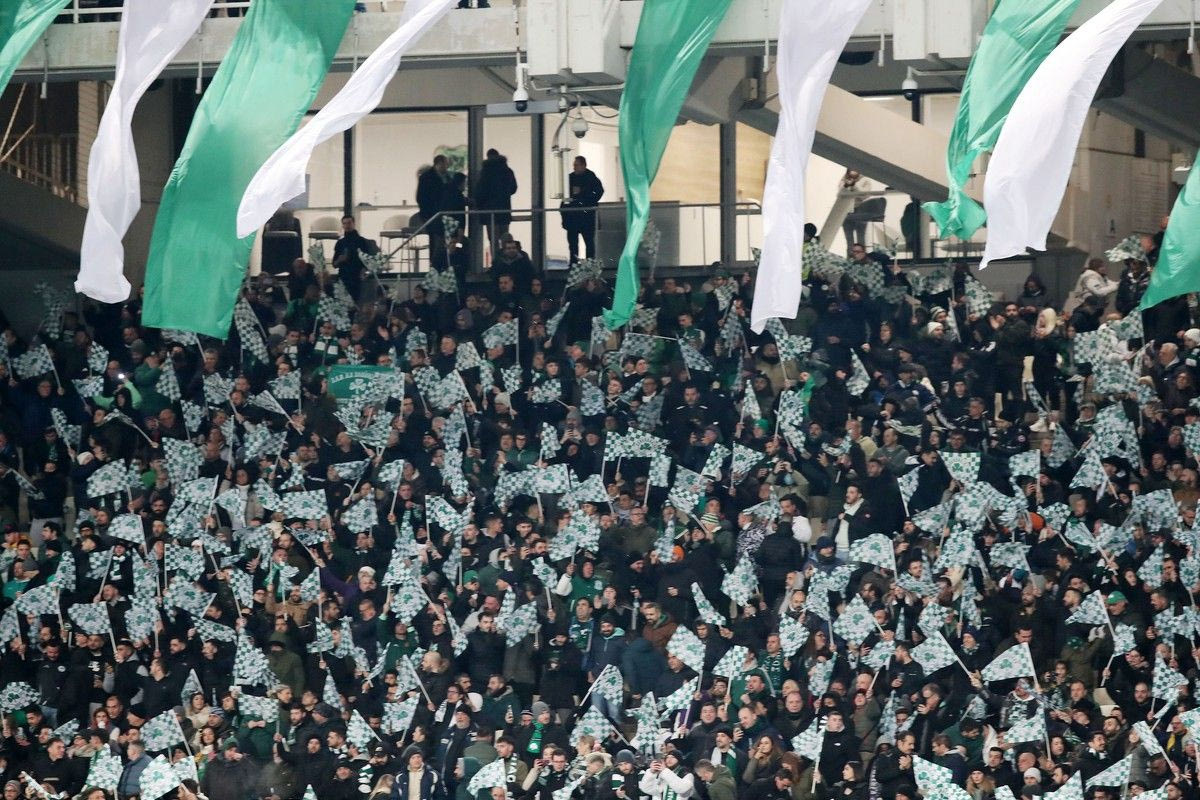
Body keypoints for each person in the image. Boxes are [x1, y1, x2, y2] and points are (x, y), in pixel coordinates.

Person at [561, 156, 604, 263]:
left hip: (586, 216)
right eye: (574, 165)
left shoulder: (591, 178)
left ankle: (589, 265)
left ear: (583, 165)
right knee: (573, 244)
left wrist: (585, 200)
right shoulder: (570, 178)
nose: (574, 167)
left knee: (589, 243)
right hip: (573, 216)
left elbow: (598, 192)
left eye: (576, 165)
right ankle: (573, 264)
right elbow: (565, 197)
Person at [476, 149, 518, 254]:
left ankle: (496, 260)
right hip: (504, 209)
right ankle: (507, 258)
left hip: (489, 211)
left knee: (493, 240)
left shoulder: (485, 171)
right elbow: (513, 188)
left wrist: (479, 205)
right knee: (505, 238)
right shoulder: (507, 171)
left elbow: (480, 191)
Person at [332, 214, 373, 305]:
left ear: (354, 223)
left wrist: (364, 270)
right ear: (342, 225)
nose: (347, 225)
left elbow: (368, 260)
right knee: (342, 304)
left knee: (355, 304)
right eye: (344, 223)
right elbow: (334, 264)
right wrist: (340, 260)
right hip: (343, 277)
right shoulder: (340, 243)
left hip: (357, 277)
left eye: (349, 223)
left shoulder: (362, 241)